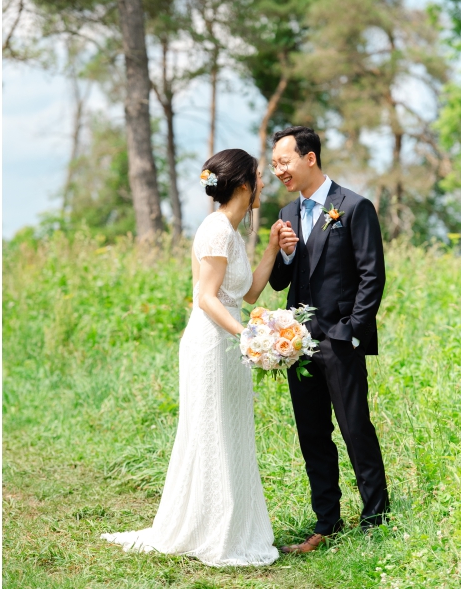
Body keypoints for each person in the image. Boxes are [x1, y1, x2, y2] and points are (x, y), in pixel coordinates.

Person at [102, 148, 287, 566]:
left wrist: (272, 248)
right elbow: (204, 298)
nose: (264, 183)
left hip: (230, 342)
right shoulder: (216, 231)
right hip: (211, 344)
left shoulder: (234, 233)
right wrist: (251, 335)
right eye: (259, 176)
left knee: (230, 431)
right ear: (243, 184)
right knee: (211, 433)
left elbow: (247, 294)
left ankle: (228, 523)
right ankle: (208, 530)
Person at [268, 125, 387, 554]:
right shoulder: (285, 214)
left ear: (309, 158)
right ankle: (327, 523)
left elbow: (373, 276)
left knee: (356, 428)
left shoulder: (354, 207)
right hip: (298, 346)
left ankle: (376, 519)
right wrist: (283, 252)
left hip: (340, 342)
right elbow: (282, 282)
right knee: (312, 434)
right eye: (274, 163)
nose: (277, 169)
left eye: (284, 161)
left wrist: (351, 333)